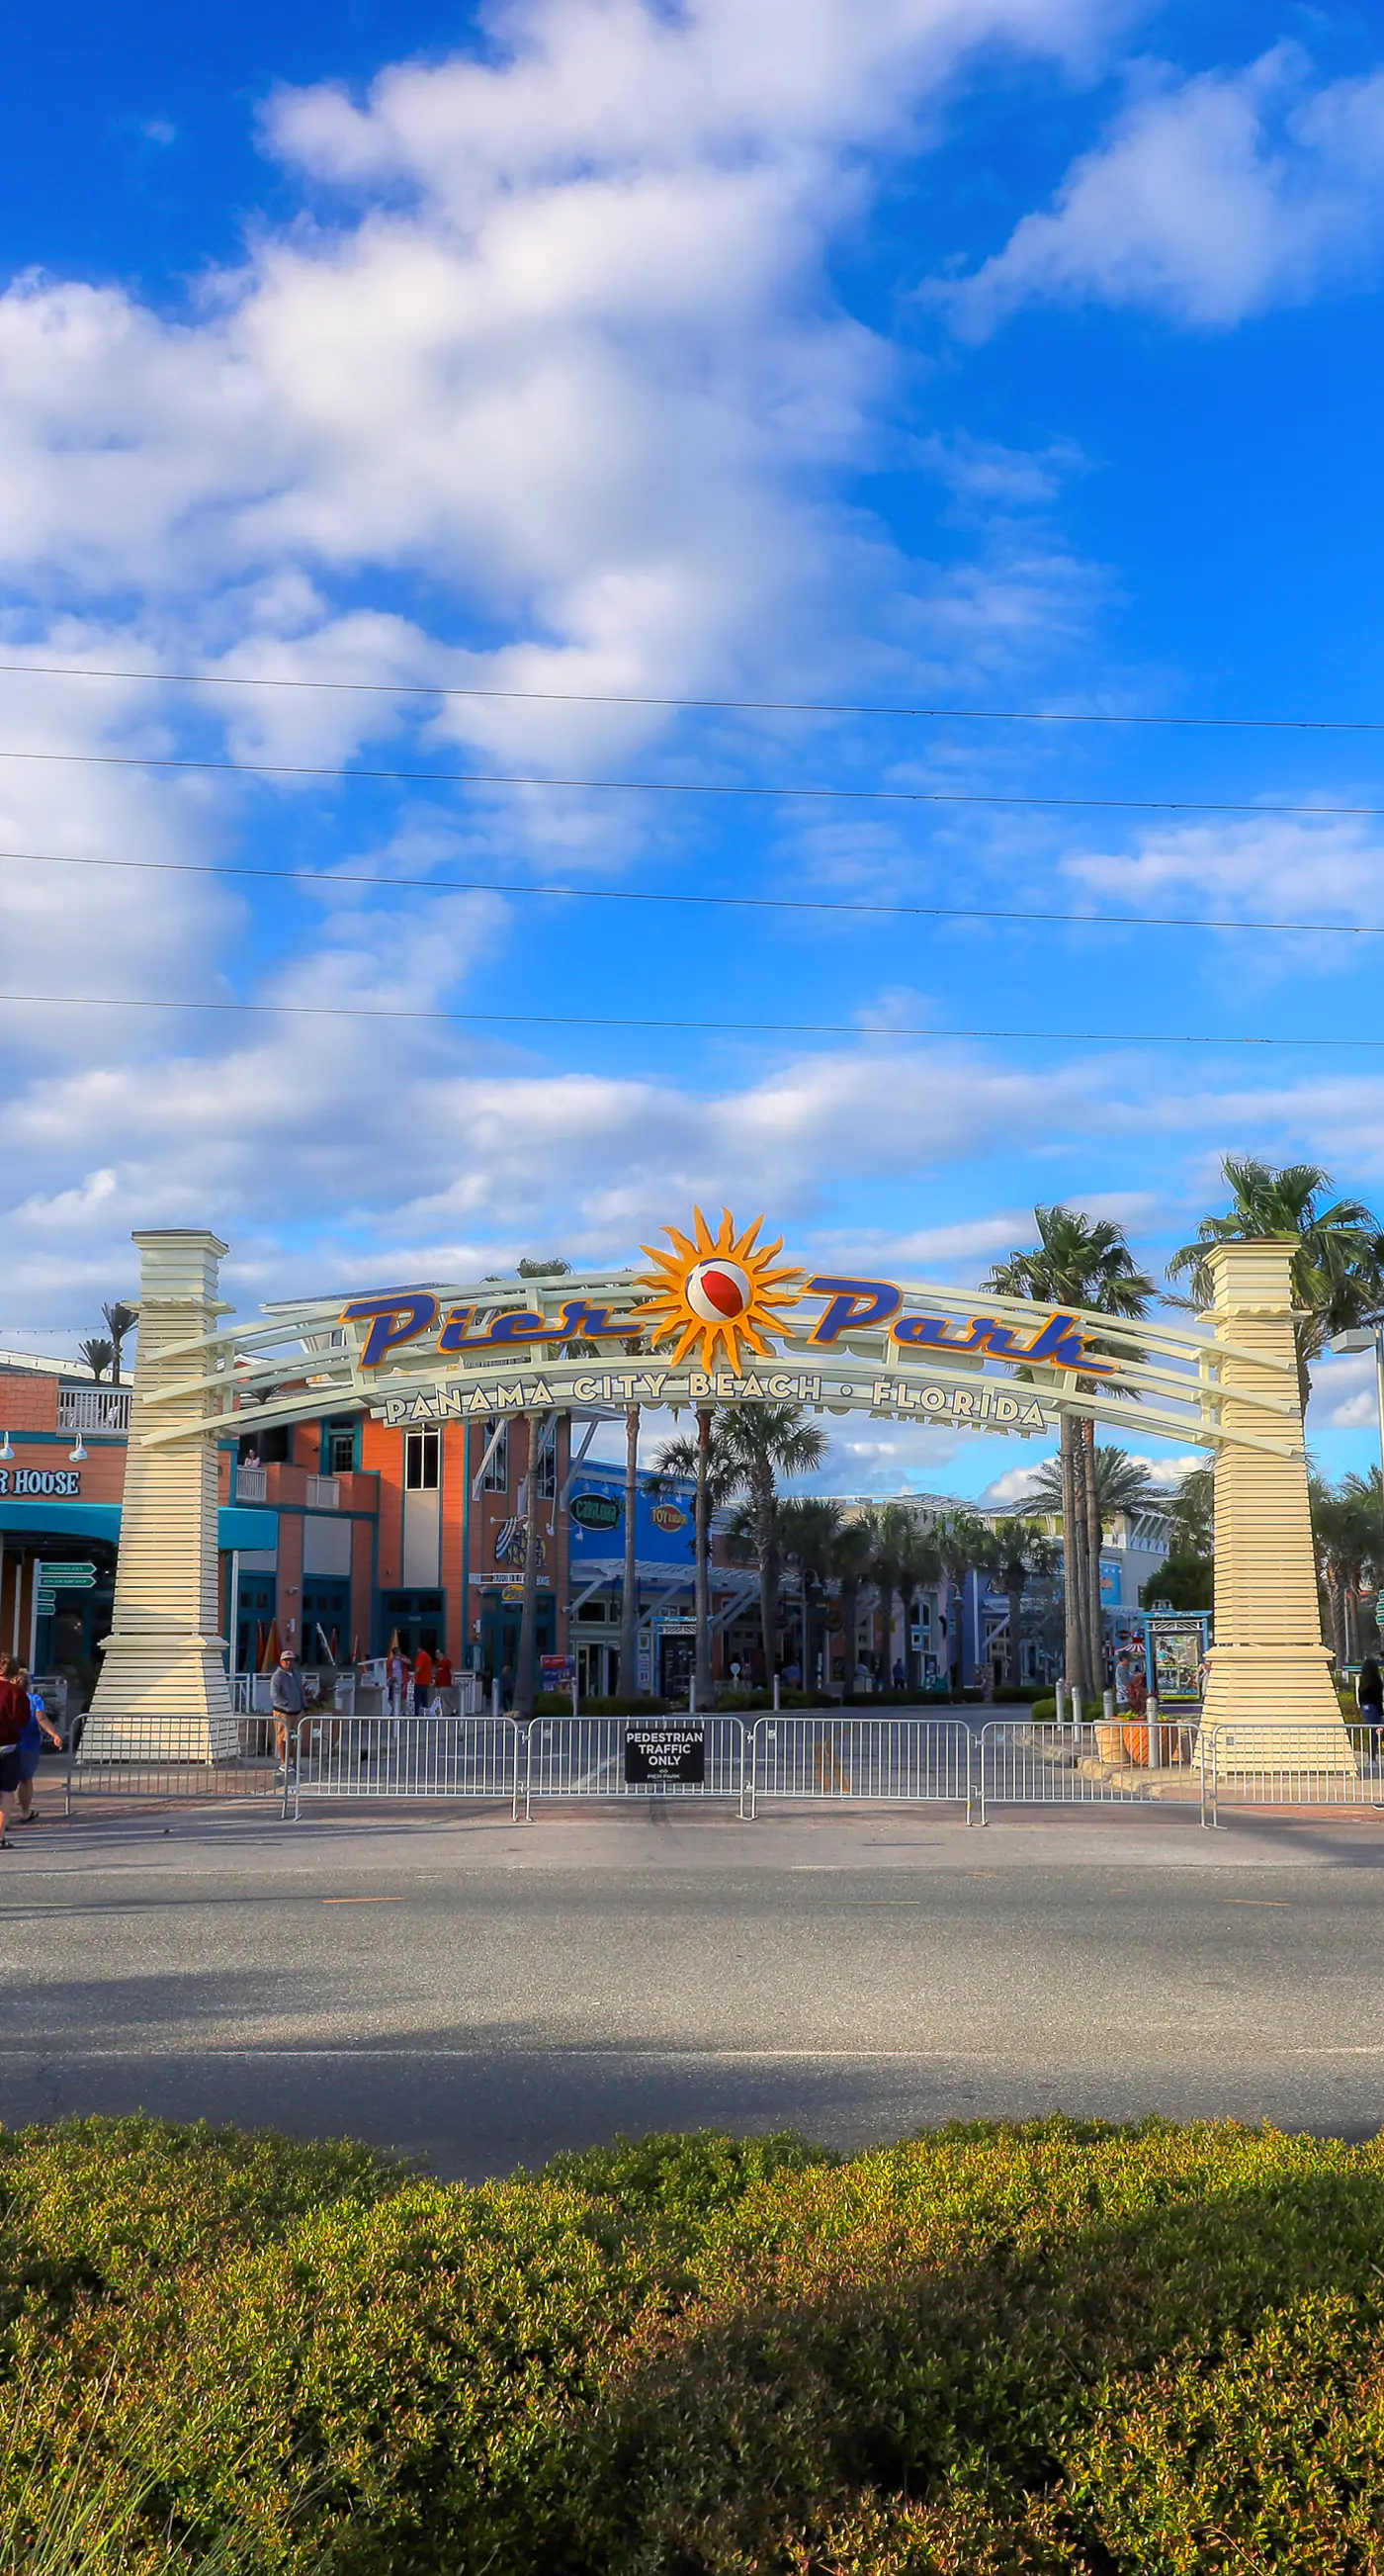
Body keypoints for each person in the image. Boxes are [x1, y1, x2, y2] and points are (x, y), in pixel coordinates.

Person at [13, 1669, 61, 1824]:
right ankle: (25, 1812)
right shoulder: (35, 1700)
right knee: (25, 1780)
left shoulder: (6, 1697)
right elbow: (42, 1719)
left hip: (7, 1743)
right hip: (29, 1745)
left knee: (3, 1783)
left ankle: (3, 1818)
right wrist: (54, 1734)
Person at [0, 1658, 28, 1847]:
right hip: (7, 1746)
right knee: (7, 1792)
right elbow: (21, 1720)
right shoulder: (16, 1692)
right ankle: (0, 1835)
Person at [269, 1649, 305, 1771]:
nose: (288, 1663)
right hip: (282, 1712)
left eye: (290, 1660)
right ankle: (283, 1762)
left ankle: (294, 1763)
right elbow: (275, 1695)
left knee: (295, 1737)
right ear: (281, 1662)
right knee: (282, 1737)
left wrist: (304, 1706)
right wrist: (286, 1703)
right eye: (286, 1660)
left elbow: (301, 1691)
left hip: (296, 1711)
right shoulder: (277, 1676)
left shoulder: (297, 1675)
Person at [1357, 1654, 1383, 1761]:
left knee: (1371, 1732)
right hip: (1374, 1708)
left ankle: (1371, 1757)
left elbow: (1360, 1697)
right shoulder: (1376, 1683)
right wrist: (1381, 1713)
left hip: (1365, 1708)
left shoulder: (1363, 1682)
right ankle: (1372, 1758)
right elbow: (1378, 1699)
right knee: (1376, 1732)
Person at [412, 1644, 434, 1716]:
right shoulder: (428, 1657)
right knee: (424, 1699)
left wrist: (414, 1676)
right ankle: (425, 1714)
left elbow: (419, 1667)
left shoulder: (421, 1656)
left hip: (420, 1681)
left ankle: (417, 1714)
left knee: (417, 1699)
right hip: (426, 1681)